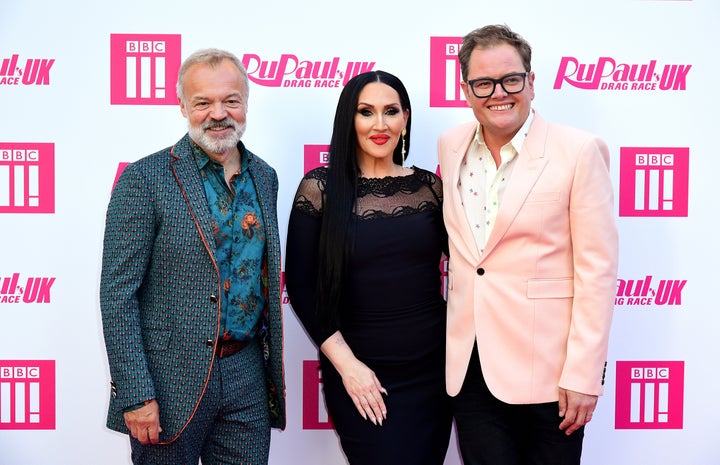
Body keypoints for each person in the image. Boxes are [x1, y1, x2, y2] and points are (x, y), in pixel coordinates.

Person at [437, 25, 618, 465]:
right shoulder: (451, 145)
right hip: (472, 370)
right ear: (466, 90)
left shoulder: (578, 151)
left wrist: (583, 374)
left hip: (550, 376)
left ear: (531, 83)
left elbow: (597, 270)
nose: (499, 93)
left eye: (511, 79)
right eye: (483, 83)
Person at [99, 48, 285, 465]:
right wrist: (136, 392)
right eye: (203, 102)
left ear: (246, 104)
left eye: (230, 100)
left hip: (247, 376)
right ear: (182, 106)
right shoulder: (144, 179)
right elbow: (118, 296)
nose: (218, 113)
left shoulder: (265, 177)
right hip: (167, 381)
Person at [285, 70, 452, 465]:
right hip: (359, 373)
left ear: (406, 119)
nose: (380, 124)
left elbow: (471, 271)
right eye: (366, 112)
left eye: (391, 111)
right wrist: (348, 367)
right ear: (349, 119)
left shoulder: (431, 188)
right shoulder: (320, 188)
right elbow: (303, 287)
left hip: (433, 374)